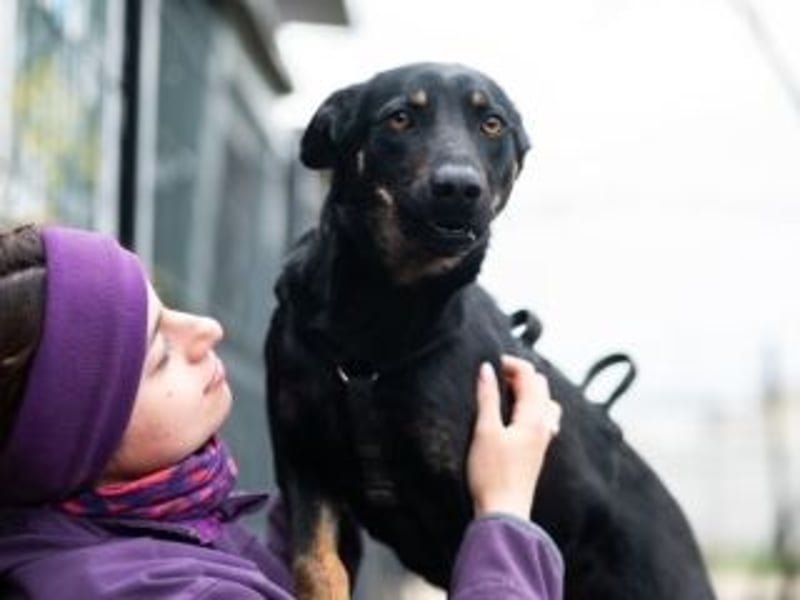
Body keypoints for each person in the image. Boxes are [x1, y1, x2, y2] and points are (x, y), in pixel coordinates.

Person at [0, 224, 564, 599]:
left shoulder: (107, 534)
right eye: (159, 354)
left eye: (166, 307)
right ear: (75, 443)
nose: (206, 329)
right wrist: (504, 513)